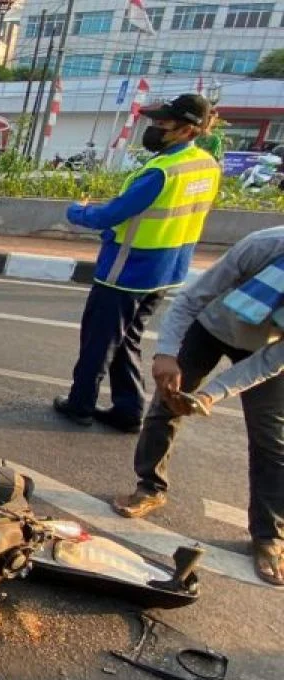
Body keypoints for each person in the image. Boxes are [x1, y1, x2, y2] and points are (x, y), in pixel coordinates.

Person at [110, 227, 283, 586]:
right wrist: (167, 353)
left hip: (267, 349)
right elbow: (190, 300)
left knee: (271, 439)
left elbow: (271, 362)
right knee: (166, 404)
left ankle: (269, 536)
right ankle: (150, 487)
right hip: (210, 325)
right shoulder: (263, 245)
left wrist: (211, 394)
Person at [54, 93, 221, 433]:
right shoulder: (207, 165)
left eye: (163, 124)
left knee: (98, 342)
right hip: (166, 270)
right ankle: (129, 410)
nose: (155, 129)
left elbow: (112, 215)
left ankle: (80, 405)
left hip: (126, 270)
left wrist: (77, 211)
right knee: (128, 339)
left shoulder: (163, 171)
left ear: (188, 130)